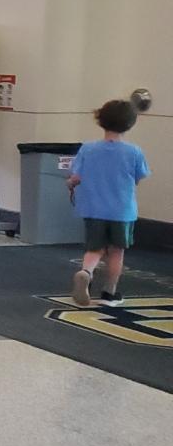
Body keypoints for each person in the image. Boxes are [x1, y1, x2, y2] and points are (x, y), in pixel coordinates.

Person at [67, 99, 152, 307]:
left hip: (93, 207)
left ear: (100, 119)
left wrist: (71, 183)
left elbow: (76, 176)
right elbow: (139, 177)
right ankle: (110, 293)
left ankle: (85, 272)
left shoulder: (88, 149)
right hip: (122, 210)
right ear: (130, 123)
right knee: (116, 251)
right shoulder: (134, 152)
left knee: (94, 248)